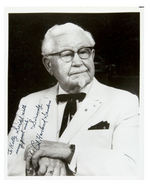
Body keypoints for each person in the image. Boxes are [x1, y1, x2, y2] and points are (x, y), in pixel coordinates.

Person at [8, 22, 139, 176]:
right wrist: (42, 160)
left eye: (84, 52)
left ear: (93, 55)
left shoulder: (124, 101)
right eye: (67, 54)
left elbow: (132, 168)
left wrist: (68, 153)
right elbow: (7, 162)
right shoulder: (29, 103)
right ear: (48, 65)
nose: (78, 62)